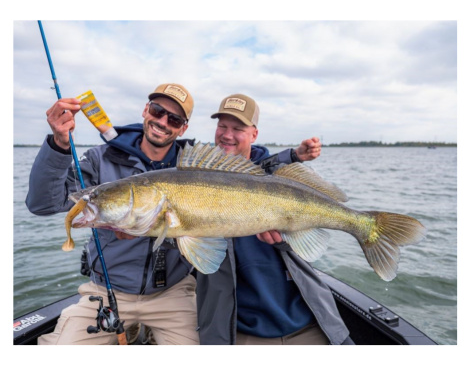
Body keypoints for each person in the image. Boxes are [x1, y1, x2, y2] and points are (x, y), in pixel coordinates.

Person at [26, 83, 200, 345]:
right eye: (157, 110)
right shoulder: (101, 158)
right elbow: (43, 204)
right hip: (107, 291)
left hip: (173, 291)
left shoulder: (193, 169)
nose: (163, 122)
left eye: (174, 119)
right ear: (146, 110)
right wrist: (59, 145)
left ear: (183, 129)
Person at [195, 93, 354, 345]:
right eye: (222, 126)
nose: (227, 135)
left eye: (238, 128)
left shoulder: (277, 174)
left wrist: (285, 240)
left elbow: (308, 248)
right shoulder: (197, 179)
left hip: (306, 321)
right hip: (241, 329)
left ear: (254, 134)